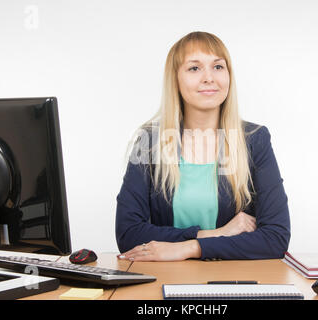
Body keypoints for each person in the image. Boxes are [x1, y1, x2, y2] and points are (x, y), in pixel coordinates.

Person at [115, 31, 290, 261]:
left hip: (232, 279)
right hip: (164, 278)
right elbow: (128, 234)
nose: (209, 77)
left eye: (218, 67)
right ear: (175, 80)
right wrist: (216, 234)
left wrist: (189, 247)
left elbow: (275, 238)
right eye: (194, 68)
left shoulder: (254, 139)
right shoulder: (149, 141)